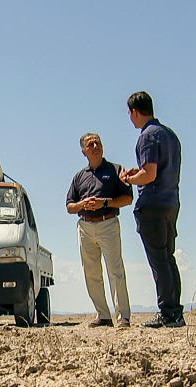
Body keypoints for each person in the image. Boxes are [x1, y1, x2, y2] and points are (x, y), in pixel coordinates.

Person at [120, 91, 185, 328]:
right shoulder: (170, 136)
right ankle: (175, 312)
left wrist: (129, 179)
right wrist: (135, 174)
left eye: (129, 113)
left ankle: (168, 313)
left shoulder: (146, 136)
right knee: (167, 258)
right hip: (170, 202)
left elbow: (149, 174)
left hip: (153, 205)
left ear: (134, 111)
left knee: (158, 260)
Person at [66, 133, 133, 328]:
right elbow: (69, 206)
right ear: (83, 151)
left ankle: (123, 317)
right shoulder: (79, 176)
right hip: (85, 226)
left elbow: (127, 198)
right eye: (90, 144)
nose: (95, 146)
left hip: (108, 224)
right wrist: (82, 204)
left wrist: (104, 202)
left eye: (98, 142)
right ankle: (103, 315)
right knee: (91, 273)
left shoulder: (115, 170)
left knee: (115, 271)